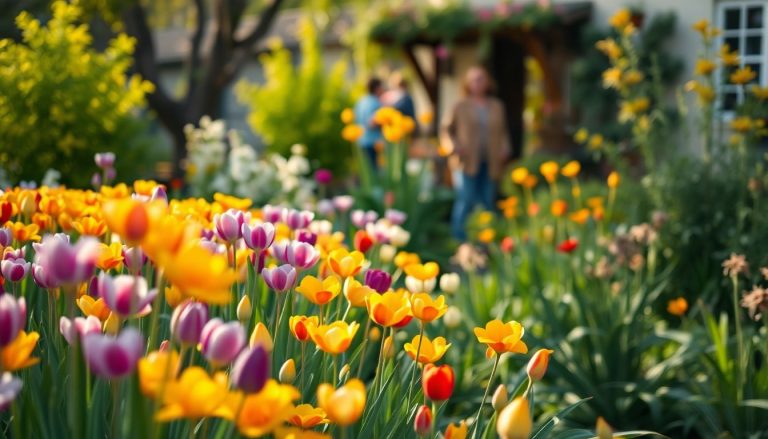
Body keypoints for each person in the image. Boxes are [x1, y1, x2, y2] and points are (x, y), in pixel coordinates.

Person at [441, 66, 511, 241]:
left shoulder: (497, 106)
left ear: (488, 82)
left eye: (481, 79)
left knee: (488, 200)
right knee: (466, 199)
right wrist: (453, 146)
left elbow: (503, 131)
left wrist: (505, 148)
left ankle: (486, 239)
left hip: (490, 160)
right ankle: (459, 240)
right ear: (467, 83)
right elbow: (446, 130)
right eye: (474, 80)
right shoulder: (460, 105)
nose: (478, 83)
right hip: (466, 161)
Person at [354, 77, 384, 170]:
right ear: (377, 88)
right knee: (374, 171)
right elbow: (372, 123)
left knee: (366, 171)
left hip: (360, 141)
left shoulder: (361, 101)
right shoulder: (375, 102)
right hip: (373, 142)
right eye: (381, 86)